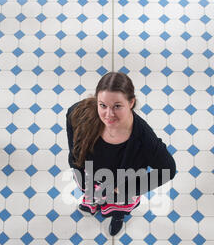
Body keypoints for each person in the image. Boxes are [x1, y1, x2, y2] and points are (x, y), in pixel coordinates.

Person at [66, 71, 176, 236]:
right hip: (91, 177)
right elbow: (72, 132)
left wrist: (128, 188)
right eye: (102, 105)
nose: (108, 115)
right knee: (92, 196)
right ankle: (93, 204)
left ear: (131, 102)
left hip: (119, 188)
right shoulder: (80, 113)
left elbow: (168, 169)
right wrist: (77, 164)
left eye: (117, 106)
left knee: (118, 206)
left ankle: (117, 217)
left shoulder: (143, 138)